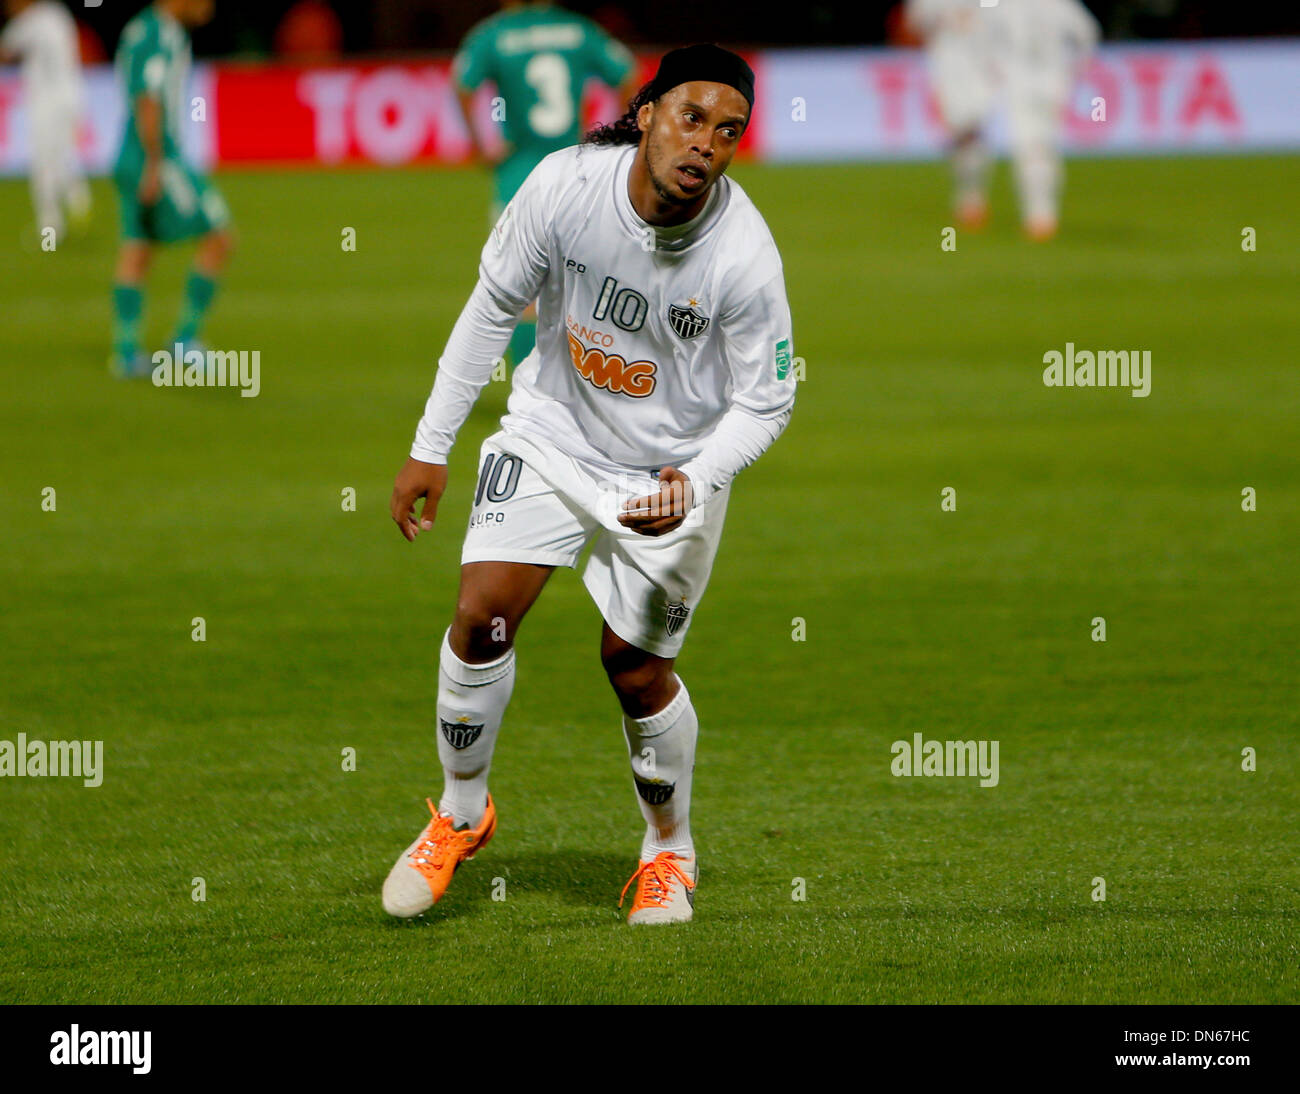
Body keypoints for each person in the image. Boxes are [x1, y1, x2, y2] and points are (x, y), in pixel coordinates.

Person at [383, 44, 796, 926]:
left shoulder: (745, 257)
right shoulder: (566, 186)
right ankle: (460, 812)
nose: (706, 145)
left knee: (635, 670)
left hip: (669, 473)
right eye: (692, 117)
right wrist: (431, 444)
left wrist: (698, 478)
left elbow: (768, 402)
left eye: (729, 132)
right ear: (646, 112)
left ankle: (668, 848)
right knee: (479, 614)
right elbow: (493, 307)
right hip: (552, 434)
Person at [452, 0, 639, 367]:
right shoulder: (577, 29)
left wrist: (480, 147)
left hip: (519, 172)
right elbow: (627, 72)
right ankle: (591, 386)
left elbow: (461, 83)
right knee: (590, 281)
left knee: (518, 290)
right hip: (577, 171)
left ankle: (527, 388)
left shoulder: (494, 34)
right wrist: (614, 135)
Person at [109, 0, 234, 379]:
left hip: (131, 154)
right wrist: (154, 162)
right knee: (219, 235)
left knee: (137, 247)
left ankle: (126, 353)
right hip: (157, 157)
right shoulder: (160, 33)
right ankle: (183, 340)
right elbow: (147, 96)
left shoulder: (140, 27)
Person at [907, 0, 1099, 239]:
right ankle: (1034, 213)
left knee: (1021, 144)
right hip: (1050, 81)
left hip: (1013, 81)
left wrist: (993, 65)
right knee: (1038, 145)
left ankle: (1035, 216)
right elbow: (1088, 32)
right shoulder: (1059, 4)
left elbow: (989, 34)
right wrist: (1075, 67)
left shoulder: (1007, 5)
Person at [0, 0, 91, 243]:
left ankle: (49, 229)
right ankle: (77, 198)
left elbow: (6, 52)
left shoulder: (27, 22)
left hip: (46, 100)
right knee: (63, 154)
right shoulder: (57, 12)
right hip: (73, 94)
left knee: (43, 162)